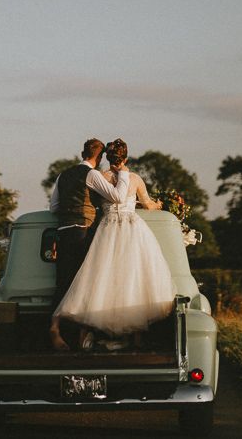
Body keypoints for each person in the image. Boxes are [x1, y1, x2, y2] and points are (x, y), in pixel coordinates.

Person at [53, 139, 175, 347]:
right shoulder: (134, 178)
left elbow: (96, 202)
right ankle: (134, 337)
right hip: (131, 229)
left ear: (107, 158)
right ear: (126, 158)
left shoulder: (99, 176)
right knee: (133, 276)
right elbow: (144, 203)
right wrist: (160, 204)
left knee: (100, 278)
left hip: (107, 229)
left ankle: (83, 333)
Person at [48, 138, 130, 351]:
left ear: (81, 152)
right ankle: (83, 334)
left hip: (63, 232)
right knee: (86, 283)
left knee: (63, 283)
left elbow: (54, 207)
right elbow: (118, 197)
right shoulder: (91, 174)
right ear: (100, 157)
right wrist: (124, 174)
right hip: (82, 232)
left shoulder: (62, 175)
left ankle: (55, 328)